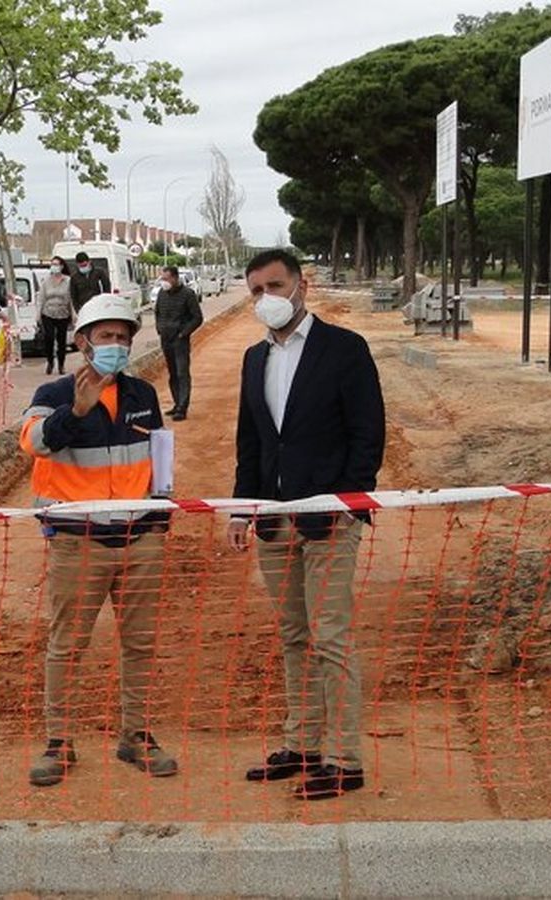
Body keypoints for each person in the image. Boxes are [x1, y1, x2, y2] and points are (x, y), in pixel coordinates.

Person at [226, 249, 385, 801]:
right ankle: (303, 743)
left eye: (275, 285)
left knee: (330, 636)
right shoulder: (253, 359)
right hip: (274, 519)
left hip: (331, 520)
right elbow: (252, 442)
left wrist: (347, 499)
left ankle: (344, 759)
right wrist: (245, 507)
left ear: (302, 286)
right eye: (255, 291)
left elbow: (368, 433)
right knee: (294, 635)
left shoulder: (345, 350)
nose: (265, 298)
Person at [18, 293, 177, 788]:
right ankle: (59, 743)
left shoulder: (143, 396)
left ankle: (137, 735)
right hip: (78, 543)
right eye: (105, 336)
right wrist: (76, 411)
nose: (116, 344)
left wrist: (158, 518)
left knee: (141, 643)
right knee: (67, 645)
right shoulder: (52, 393)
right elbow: (33, 443)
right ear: (82, 341)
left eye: (123, 337)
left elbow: (159, 458)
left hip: (139, 540)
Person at [153, 265, 204, 421]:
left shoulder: (188, 294)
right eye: (163, 279)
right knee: (173, 374)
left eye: (167, 279)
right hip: (166, 339)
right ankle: (176, 404)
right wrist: (159, 329)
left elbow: (197, 318)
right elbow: (157, 312)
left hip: (180, 341)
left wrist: (183, 333)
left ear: (175, 278)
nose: (164, 282)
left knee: (182, 373)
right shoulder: (162, 293)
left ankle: (182, 407)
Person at [38, 255, 75, 375]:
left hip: (63, 313)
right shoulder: (46, 281)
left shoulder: (68, 281)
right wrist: (38, 314)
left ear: (61, 266)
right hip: (48, 313)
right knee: (49, 338)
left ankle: (61, 364)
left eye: (56, 264)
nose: (54, 267)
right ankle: (50, 361)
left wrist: (73, 314)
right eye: (52, 264)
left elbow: (71, 299)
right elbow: (41, 299)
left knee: (61, 340)